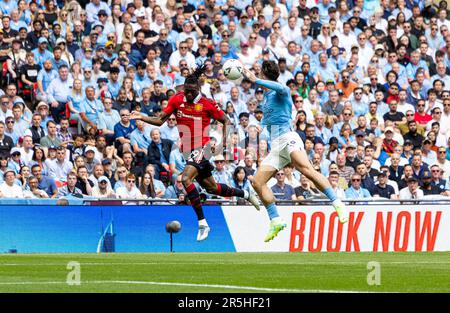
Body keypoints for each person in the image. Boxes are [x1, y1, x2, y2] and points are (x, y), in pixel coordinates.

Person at [131, 66, 259, 241]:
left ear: (198, 89)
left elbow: (226, 120)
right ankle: (246, 194)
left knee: (184, 179)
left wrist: (224, 144)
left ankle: (202, 223)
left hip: (203, 148)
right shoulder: (177, 100)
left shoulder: (207, 104)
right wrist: (141, 116)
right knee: (212, 188)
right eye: (186, 91)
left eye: (192, 92)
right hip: (187, 152)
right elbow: (160, 120)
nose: (188, 95)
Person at [241, 61, 348, 242]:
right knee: (258, 183)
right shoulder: (266, 99)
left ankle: (337, 202)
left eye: (260, 73)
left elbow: (281, 87)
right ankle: (275, 219)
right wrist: (259, 127)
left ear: (265, 75)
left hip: (289, 138)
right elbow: (268, 120)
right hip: (276, 146)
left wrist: (255, 79)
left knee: (306, 170)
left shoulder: (281, 92)